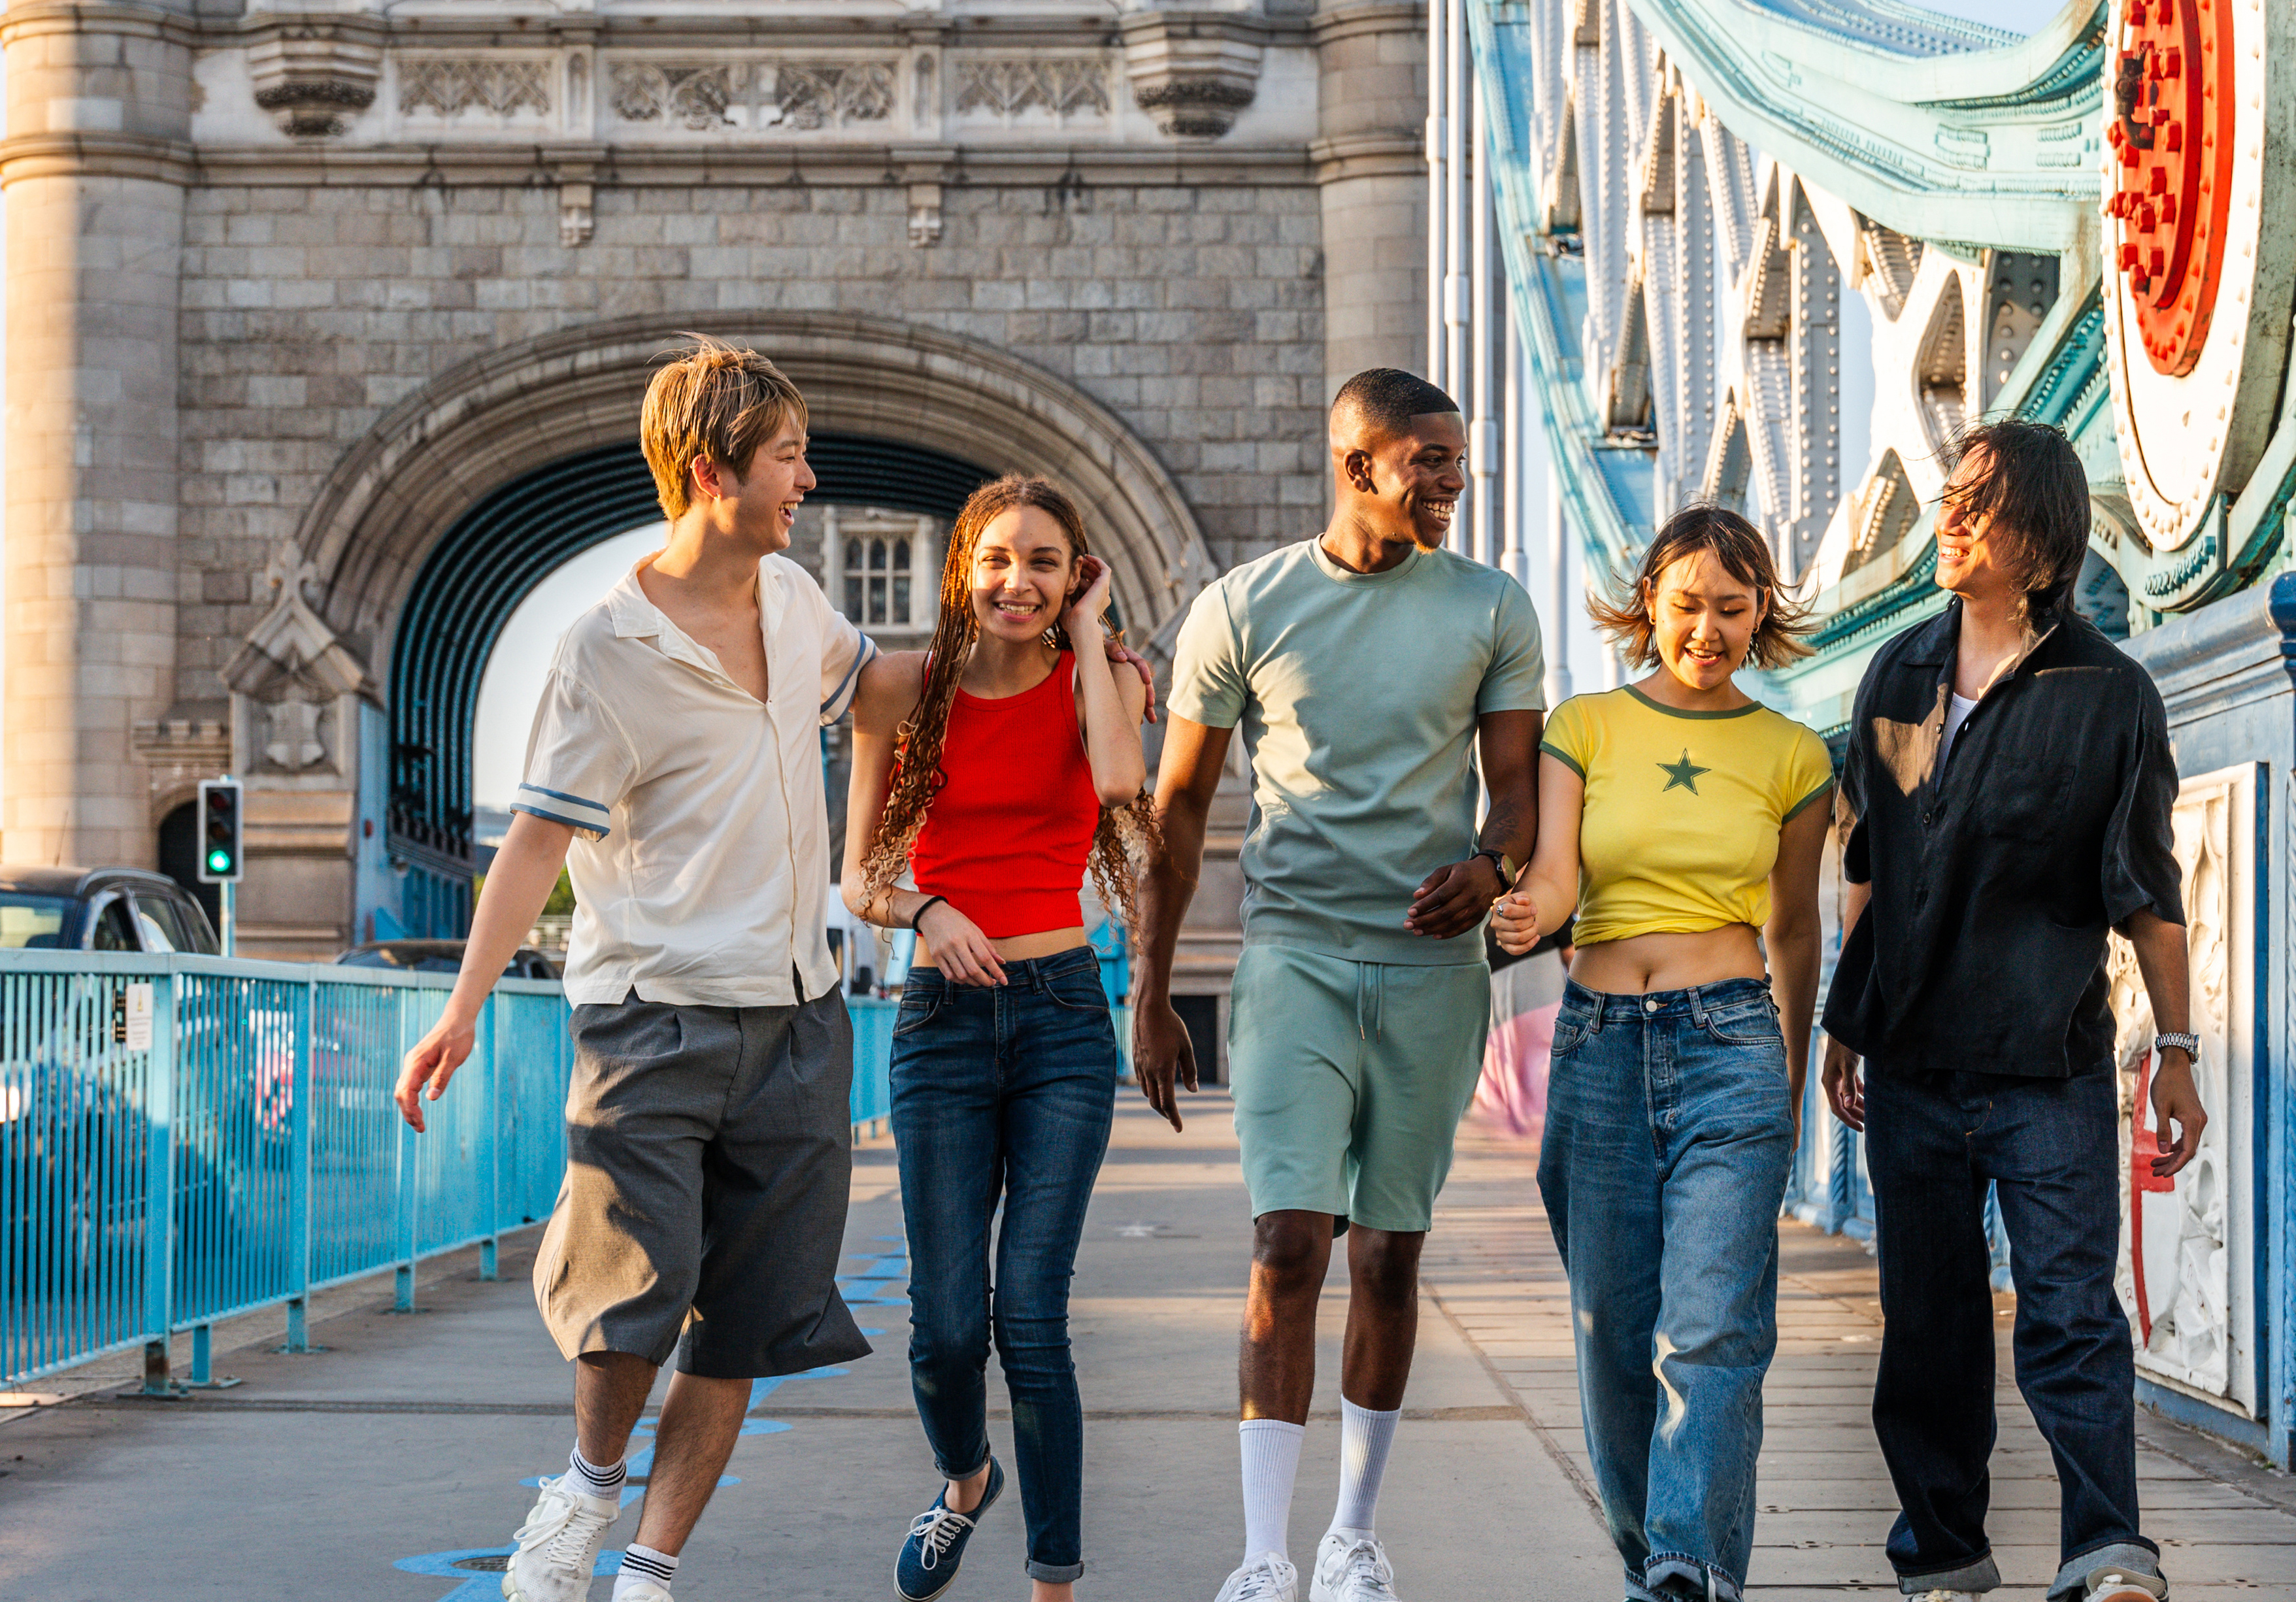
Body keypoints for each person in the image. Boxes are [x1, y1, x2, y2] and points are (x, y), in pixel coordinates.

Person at [393, 338, 879, 1602]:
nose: (809, 480)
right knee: (633, 1298)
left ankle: (652, 1569)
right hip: (651, 1020)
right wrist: (460, 1007)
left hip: (799, 1017)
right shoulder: (602, 649)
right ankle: (586, 1488)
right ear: (716, 471)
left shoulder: (794, 603)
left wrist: (1047, 643)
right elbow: (532, 841)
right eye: (788, 458)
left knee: (750, 1315)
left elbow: (881, 691)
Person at [1132, 368, 1546, 1602]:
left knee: (1389, 1255)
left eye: (1457, 460)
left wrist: (1492, 862)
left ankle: (1352, 1534)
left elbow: (1517, 788)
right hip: (1295, 958)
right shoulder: (1241, 607)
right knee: (1287, 1241)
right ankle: (1264, 1555)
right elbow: (1179, 808)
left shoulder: (1493, 606)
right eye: (1426, 460)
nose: (1451, 480)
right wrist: (1149, 988)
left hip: (1432, 968)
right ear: (1356, 464)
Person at [1818, 420, 2206, 1602]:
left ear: (2039, 538)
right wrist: (1846, 1019)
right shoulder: (1896, 672)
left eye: (1978, 506)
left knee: (2071, 1318)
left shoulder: (2112, 692)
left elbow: (2149, 889)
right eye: (1949, 498)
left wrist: (2176, 1054)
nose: (1949, 519)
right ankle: (1943, 1554)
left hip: (2050, 1062)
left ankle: (2107, 1552)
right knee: (1928, 1330)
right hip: (1915, 1067)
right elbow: (1867, 870)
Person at [1489, 505, 1829, 1602]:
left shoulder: (1795, 754)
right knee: (1610, 1335)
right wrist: (1520, 912)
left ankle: (1691, 1567)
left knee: (1715, 1327)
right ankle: (1654, 1565)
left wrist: (1787, 1068)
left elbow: (1793, 928)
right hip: (1598, 1048)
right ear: (1649, 606)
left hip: (1730, 1041)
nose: (1709, 628)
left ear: (1761, 613)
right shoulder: (1584, 725)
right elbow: (1557, 876)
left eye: (1735, 608)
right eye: (1688, 604)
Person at [840, 476, 1156, 1602]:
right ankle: (965, 1478)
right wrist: (929, 909)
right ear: (963, 569)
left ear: (1075, 573)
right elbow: (861, 874)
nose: (1018, 581)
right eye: (998, 560)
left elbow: (1121, 785)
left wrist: (1094, 635)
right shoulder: (898, 689)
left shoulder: (1099, 682)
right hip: (941, 1024)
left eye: (1046, 562)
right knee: (941, 1328)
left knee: (1031, 1312)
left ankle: (1053, 1583)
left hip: (1066, 1016)